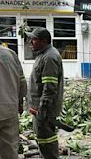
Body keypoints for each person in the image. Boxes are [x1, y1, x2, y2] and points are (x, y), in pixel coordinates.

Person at [26, 27, 64, 159]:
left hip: (44, 110)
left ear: (43, 41)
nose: (31, 42)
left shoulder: (49, 57)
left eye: (34, 39)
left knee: (47, 141)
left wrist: (43, 110)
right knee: (43, 140)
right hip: (39, 109)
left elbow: (49, 88)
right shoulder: (43, 54)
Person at [0, 46, 27, 159]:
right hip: (9, 109)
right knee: (10, 150)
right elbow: (22, 82)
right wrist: (19, 103)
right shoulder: (10, 54)